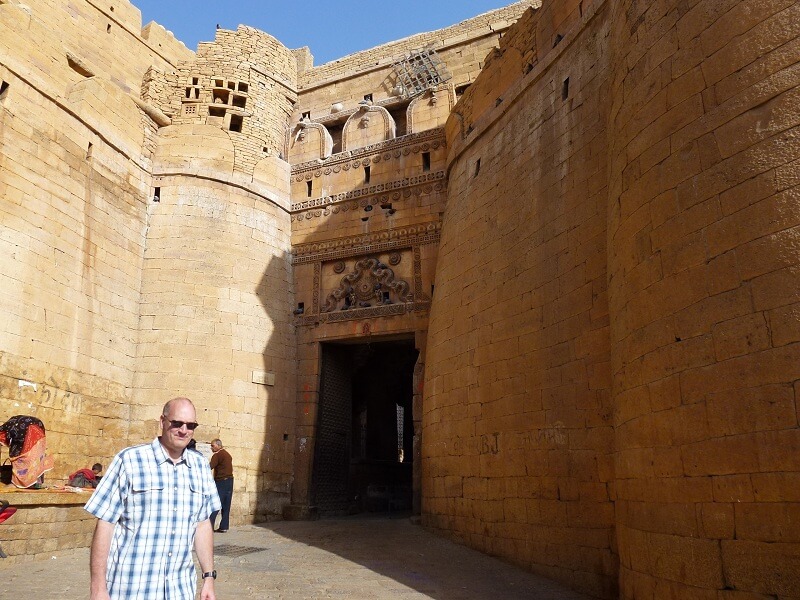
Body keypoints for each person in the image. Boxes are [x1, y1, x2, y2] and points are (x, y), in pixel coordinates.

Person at [85, 397, 221, 600]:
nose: (184, 430)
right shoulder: (129, 460)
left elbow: (201, 525)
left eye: (190, 425)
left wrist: (208, 577)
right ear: (162, 422)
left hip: (179, 590)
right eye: (177, 423)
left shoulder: (200, 466)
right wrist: (98, 588)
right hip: (131, 588)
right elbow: (105, 524)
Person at [0, 415, 54, 488]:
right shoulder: (9, 425)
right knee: (36, 456)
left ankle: (17, 484)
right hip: (38, 426)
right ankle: (36, 483)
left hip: (24, 428)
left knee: (20, 456)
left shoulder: (4, 431)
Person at [209, 438, 233, 533]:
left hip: (221, 481)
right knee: (226, 505)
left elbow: (210, 467)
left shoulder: (217, 455)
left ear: (219, 446)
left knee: (215, 504)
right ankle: (224, 526)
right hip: (230, 481)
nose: (211, 448)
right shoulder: (227, 454)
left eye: (213, 446)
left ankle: (209, 526)